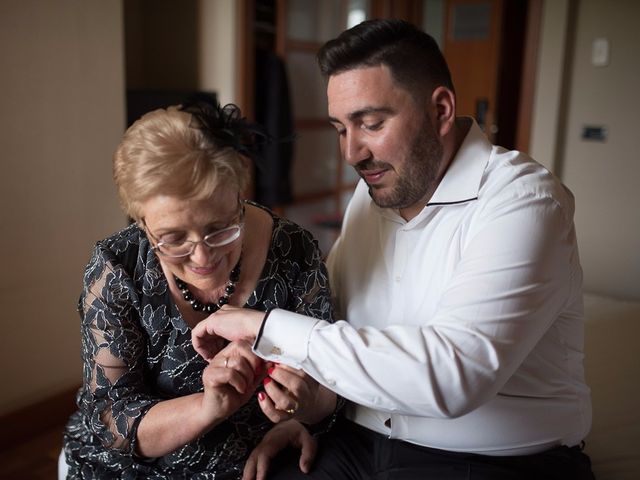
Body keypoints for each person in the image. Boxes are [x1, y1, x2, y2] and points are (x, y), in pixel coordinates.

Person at [191, 19, 596, 479]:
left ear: (441, 110)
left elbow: (453, 376)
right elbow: (340, 327)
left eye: (371, 123)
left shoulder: (523, 202)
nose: (351, 153)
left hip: (496, 459)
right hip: (358, 440)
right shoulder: (370, 197)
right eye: (340, 128)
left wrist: (267, 327)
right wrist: (310, 412)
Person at [61, 96, 338, 479]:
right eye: (173, 238)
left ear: (239, 198)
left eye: (219, 229)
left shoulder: (295, 252)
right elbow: (113, 421)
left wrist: (300, 416)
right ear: (143, 225)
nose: (202, 257)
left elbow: (331, 383)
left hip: (255, 463)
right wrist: (209, 406)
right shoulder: (116, 267)